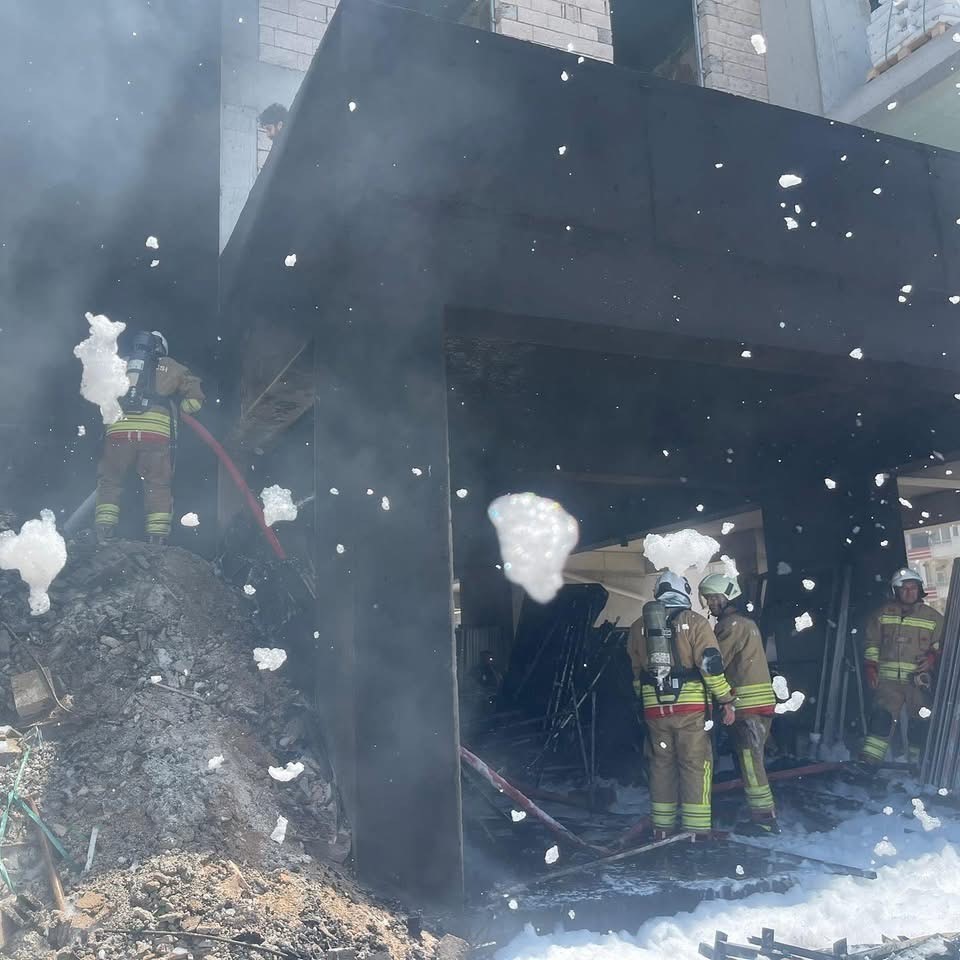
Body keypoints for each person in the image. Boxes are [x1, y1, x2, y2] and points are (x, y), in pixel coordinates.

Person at [629, 571, 736, 839]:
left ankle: (662, 829)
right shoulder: (695, 622)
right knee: (695, 764)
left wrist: (646, 702)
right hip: (690, 710)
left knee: (661, 765)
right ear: (684, 591)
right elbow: (711, 667)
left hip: (654, 710)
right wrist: (726, 700)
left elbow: (634, 674)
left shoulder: (637, 627)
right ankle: (697, 831)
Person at [95, 331, 204, 546]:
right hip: (154, 435)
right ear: (162, 348)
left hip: (119, 432)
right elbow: (194, 392)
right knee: (158, 484)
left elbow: (101, 392)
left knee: (110, 481)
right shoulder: (171, 366)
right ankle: (157, 538)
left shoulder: (122, 364)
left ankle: (103, 532)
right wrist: (187, 407)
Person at [699, 573, 780, 834]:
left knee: (750, 762)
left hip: (747, 707)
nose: (710, 603)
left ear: (728, 597)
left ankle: (764, 821)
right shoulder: (746, 623)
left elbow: (714, 662)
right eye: (708, 598)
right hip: (758, 705)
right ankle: (761, 815)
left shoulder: (730, 625)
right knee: (751, 760)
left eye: (714, 597)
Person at [860, 567, 943, 766]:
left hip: (919, 682)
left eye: (913, 588)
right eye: (904, 588)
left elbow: (943, 645)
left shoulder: (933, 617)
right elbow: (871, 643)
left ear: (920, 589)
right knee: (881, 720)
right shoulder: (881, 614)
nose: (909, 592)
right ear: (894, 590)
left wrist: (932, 658)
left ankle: (917, 764)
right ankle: (868, 763)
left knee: (920, 722)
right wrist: (871, 667)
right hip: (887, 682)